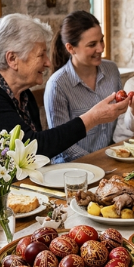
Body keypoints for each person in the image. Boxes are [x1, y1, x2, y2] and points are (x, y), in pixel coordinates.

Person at [0, 13, 129, 215]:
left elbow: (36, 160)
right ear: (12, 59)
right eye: (40, 54)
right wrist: (93, 117)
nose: (47, 62)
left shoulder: (22, 95)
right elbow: (33, 147)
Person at [46, 11, 124, 163]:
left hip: (111, 160)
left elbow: (120, 120)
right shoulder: (57, 85)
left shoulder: (112, 70)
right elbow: (62, 143)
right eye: (92, 44)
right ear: (71, 48)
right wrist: (97, 161)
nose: (101, 48)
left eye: (101, 40)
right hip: (74, 169)